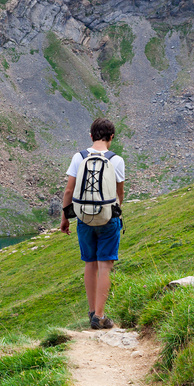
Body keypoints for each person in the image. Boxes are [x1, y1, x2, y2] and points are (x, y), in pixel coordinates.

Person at [59, 118, 126, 330]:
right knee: (106, 265)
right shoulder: (116, 160)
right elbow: (119, 193)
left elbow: (69, 191)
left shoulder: (79, 157)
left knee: (90, 263)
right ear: (111, 137)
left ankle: (90, 313)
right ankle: (100, 316)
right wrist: (114, 212)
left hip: (84, 217)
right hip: (108, 218)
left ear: (91, 135)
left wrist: (65, 218)